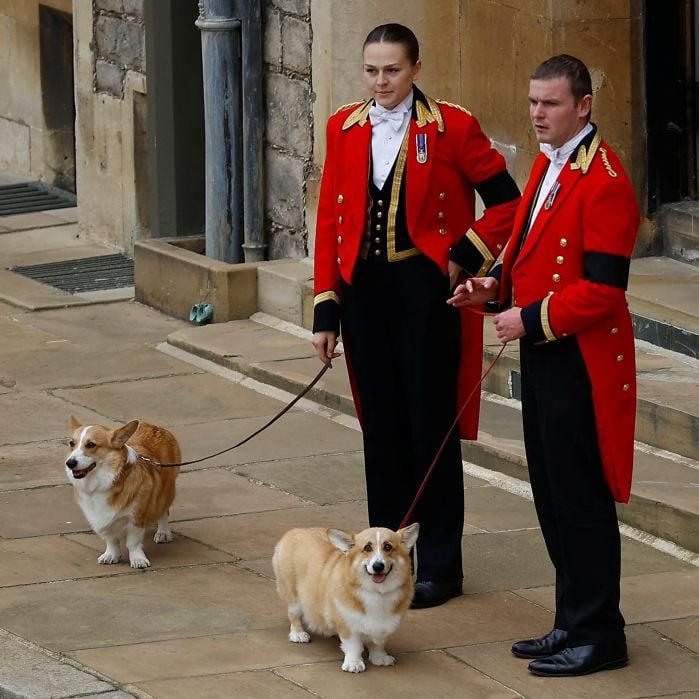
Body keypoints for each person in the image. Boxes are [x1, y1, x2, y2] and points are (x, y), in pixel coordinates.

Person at [311, 23, 520, 608]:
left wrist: (465, 255)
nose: (381, 82)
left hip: (428, 294)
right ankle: (385, 561)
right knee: (380, 428)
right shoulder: (342, 127)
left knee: (430, 430)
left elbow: (508, 201)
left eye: (393, 70)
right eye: (372, 70)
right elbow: (330, 219)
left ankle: (442, 568)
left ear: (416, 69)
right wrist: (326, 307)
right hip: (366, 295)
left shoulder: (453, 126)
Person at [450, 54, 639, 675]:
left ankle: (599, 635)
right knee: (552, 496)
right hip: (546, 355)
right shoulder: (545, 165)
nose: (537, 114)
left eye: (550, 103)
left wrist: (528, 319)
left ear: (583, 106)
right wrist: (492, 290)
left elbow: (605, 290)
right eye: (533, 102)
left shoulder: (606, 180)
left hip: (581, 362)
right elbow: (527, 256)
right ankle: (570, 620)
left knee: (581, 499)